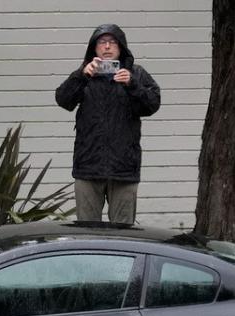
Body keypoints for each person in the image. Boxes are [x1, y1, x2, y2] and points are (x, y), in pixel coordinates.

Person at [55, 24, 161, 225]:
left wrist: (132, 84)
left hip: (123, 168)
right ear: (94, 48)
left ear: (121, 47)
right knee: (87, 233)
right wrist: (82, 76)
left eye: (112, 42)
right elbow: (63, 100)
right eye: (102, 42)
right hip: (88, 167)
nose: (107, 47)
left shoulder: (136, 74)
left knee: (123, 234)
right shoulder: (84, 74)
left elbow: (152, 104)